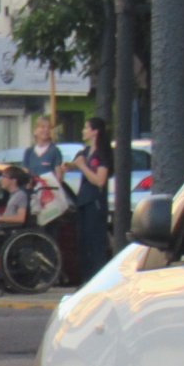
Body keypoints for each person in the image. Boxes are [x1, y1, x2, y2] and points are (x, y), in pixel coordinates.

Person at [70, 116, 112, 280]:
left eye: (87, 128)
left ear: (95, 131)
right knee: (83, 242)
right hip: (83, 200)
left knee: (95, 242)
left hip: (95, 201)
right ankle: (85, 277)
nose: (83, 131)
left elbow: (100, 180)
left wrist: (82, 166)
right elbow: (74, 163)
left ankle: (97, 276)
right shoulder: (86, 152)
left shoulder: (102, 153)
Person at [22, 116, 65, 184]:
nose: (46, 130)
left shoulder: (55, 151)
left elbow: (59, 177)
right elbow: (25, 174)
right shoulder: (29, 152)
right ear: (35, 131)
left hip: (49, 188)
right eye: (42, 127)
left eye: (49, 128)